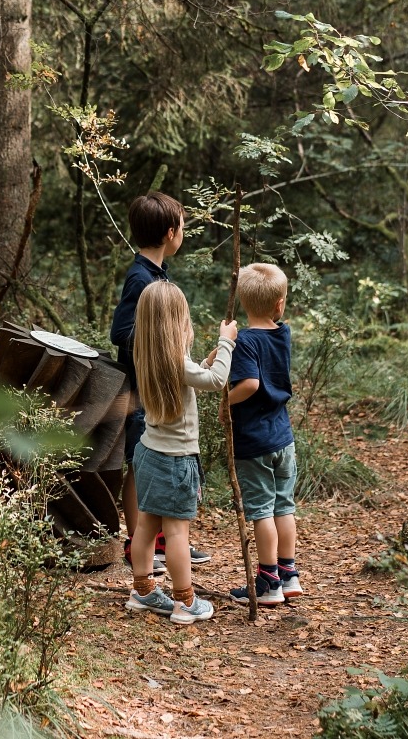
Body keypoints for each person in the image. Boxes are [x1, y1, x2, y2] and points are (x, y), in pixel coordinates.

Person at [123, 281, 236, 624]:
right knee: (176, 534)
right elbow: (216, 381)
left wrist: (205, 360)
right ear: (178, 323)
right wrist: (226, 343)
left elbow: (191, 375)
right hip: (175, 462)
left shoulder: (147, 357)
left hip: (148, 453)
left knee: (144, 527)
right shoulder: (176, 362)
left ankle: (143, 591)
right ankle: (184, 601)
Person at [109, 192, 211, 572]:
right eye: (183, 225)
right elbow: (121, 331)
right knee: (140, 462)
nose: (183, 231)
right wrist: (161, 351)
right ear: (171, 232)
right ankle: (140, 541)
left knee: (148, 460)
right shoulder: (140, 277)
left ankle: (161, 538)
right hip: (140, 389)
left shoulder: (154, 273)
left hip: (151, 387)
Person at [221, 262, 302, 605]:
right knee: (284, 507)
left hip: (254, 441)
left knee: (262, 511)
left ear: (242, 303)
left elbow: (250, 384)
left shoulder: (246, 342)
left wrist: (226, 400)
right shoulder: (282, 333)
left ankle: (268, 582)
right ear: (280, 304)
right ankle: (289, 574)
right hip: (283, 437)